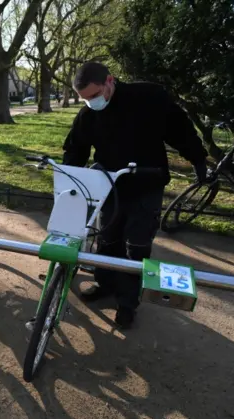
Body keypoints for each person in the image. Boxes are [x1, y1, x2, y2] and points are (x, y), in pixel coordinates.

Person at [60, 62, 207, 329]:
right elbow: (76, 148)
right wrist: (71, 176)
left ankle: (127, 302)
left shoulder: (149, 98)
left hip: (146, 183)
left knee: (136, 247)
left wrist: (198, 159)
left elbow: (180, 129)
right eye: (85, 98)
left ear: (110, 81)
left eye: (94, 95)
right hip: (110, 186)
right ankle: (105, 284)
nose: (91, 102)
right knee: (107, 239)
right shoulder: (88, 115)